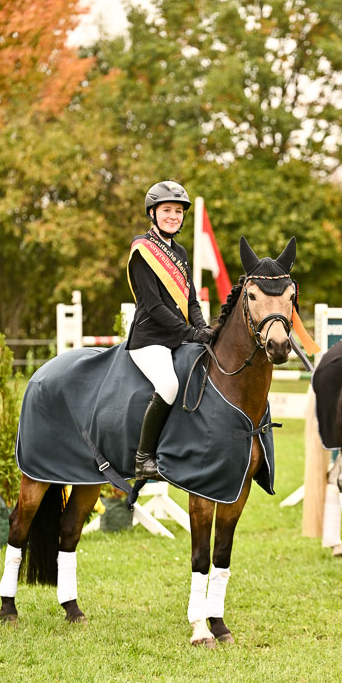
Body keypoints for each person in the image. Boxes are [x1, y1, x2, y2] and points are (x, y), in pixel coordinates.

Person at [126, 180, 213, 479]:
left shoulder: (181, 253)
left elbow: (190, 301)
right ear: (153, 213)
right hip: (150, 339)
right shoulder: (143, 251)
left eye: (178, 211)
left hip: (178, 338)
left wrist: (203, 328)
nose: (173, 216)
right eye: (167, 210)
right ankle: (143, 458)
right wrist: (190, 334)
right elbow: (153, 306)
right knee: (169, 386)